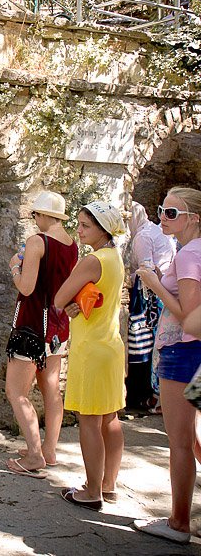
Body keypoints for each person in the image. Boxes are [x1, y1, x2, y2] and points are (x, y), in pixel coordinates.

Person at [133, 187, 201, 544]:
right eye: (162, 209)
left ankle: (178, 523)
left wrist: (155, 283)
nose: (163, 217)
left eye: (172, 213)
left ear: (194, 219)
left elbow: (188, 315)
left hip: (182, 353)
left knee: (179, 441)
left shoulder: (189, 255)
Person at [54, 201, 126, 511]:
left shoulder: (93, 260)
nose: (79, 231)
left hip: (90, 349)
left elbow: (58, 298)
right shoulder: (115, 257)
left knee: (89, 421)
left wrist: (70, 302)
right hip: (110, 345)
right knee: (111, 419)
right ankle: (108, 484)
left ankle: (92, 490)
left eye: (85, 226)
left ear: (102, 229)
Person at [5, 192, 78, 477]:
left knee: (16, 391)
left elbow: (26, 287)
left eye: (36, 214)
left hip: (32, 324)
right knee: (51, 388)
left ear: (47, 216)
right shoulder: (71, 244)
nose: (35, 219)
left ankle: (35, 456)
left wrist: (14, 266)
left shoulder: (37, 242)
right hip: (58, 326)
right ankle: (49, 449)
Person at [126, 201, 175, 411]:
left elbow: (146, 270)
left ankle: (145, 396)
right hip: (162, 292)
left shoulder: (143, 237)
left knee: (142, 344)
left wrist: (127, 277)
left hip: (150, 296)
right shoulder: (155, 230)